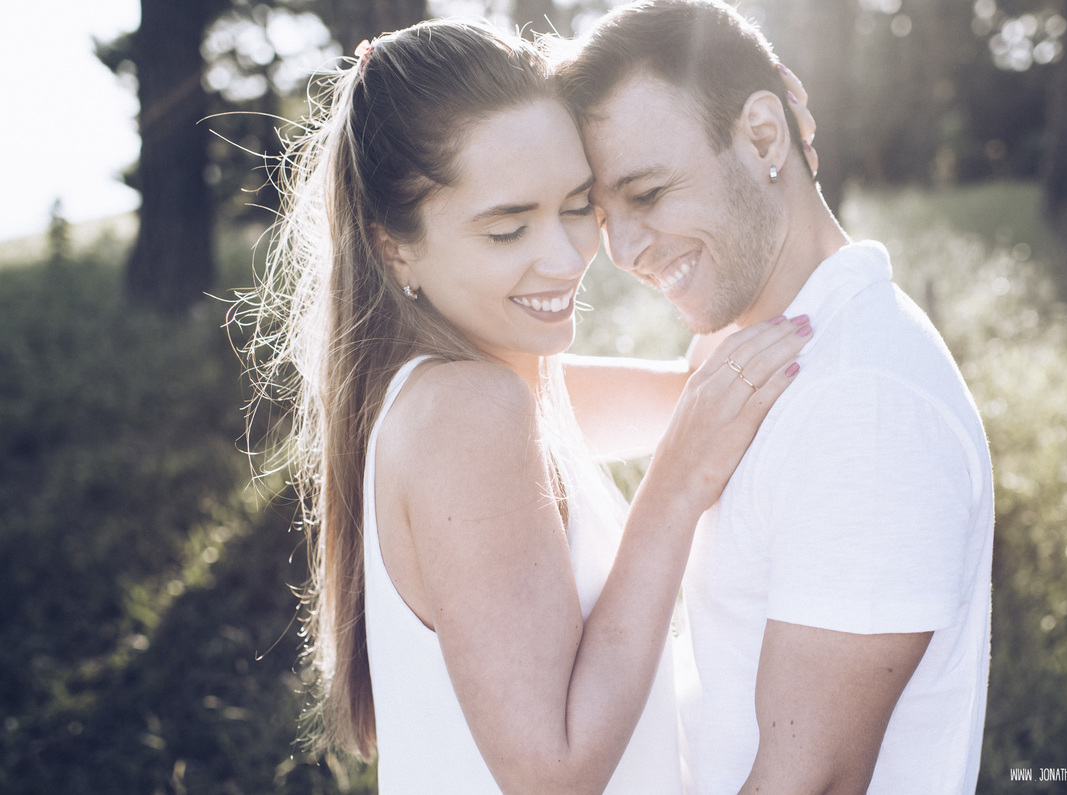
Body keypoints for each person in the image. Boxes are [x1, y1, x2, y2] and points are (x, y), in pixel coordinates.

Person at [241, 18, 813, 793]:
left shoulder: (507, 383)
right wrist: (673, 491)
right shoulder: (465, 413)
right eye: (508, 228)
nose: (567, 255)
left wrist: (755, 128)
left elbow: (706, 388)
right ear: (394, 248)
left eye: (577, 205)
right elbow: (554, 772)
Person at [559, 1, 996, 792]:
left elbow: (813, 781)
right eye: (599, 212)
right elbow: (524, 407)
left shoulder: (863, 407)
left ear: (764, 136)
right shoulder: (761, 348)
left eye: (648, 193)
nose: (620, 251)